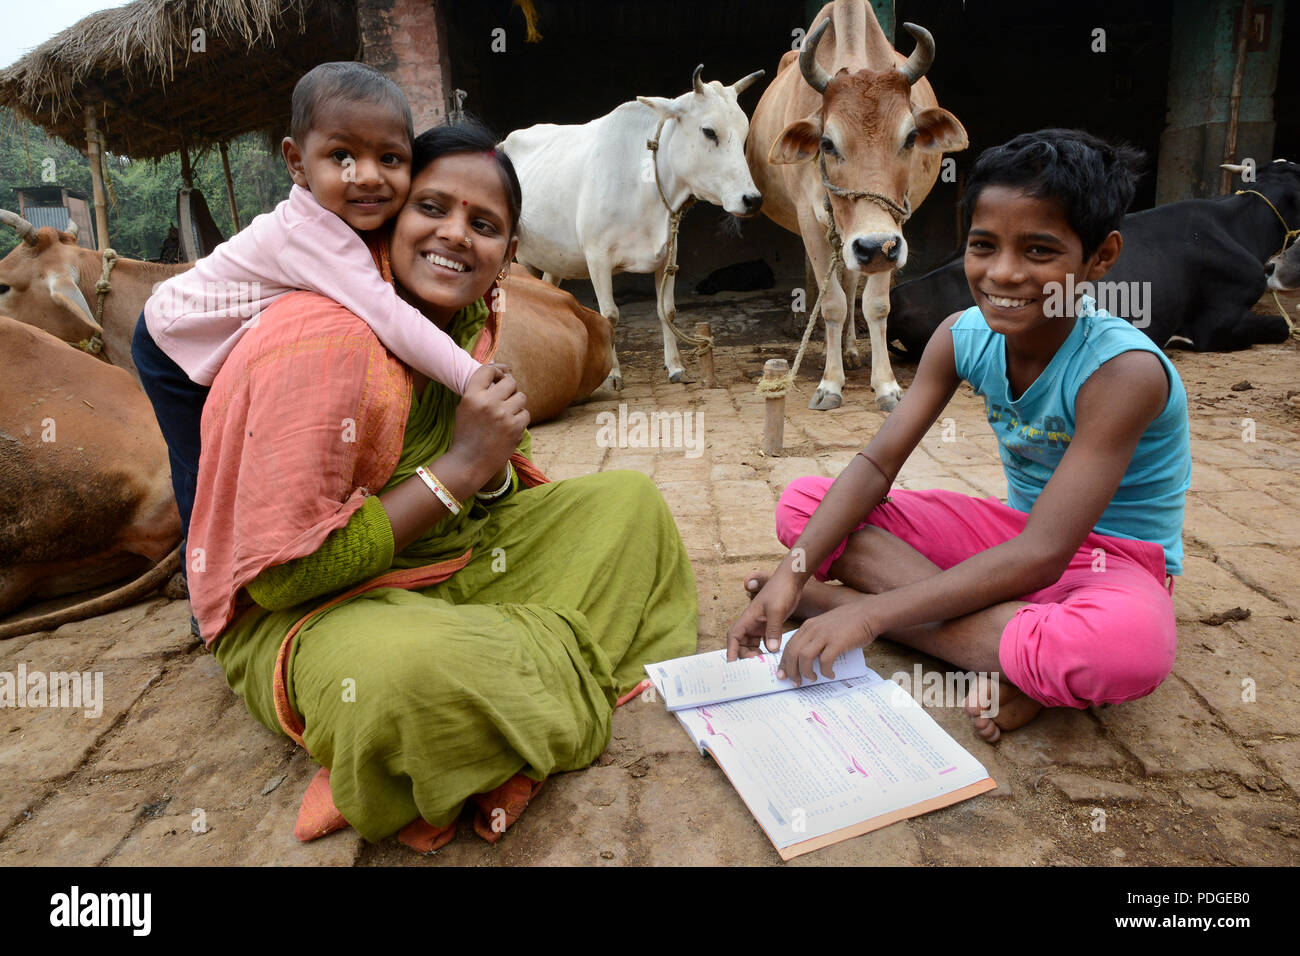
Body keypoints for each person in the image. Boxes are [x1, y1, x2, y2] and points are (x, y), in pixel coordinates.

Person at [185, 120, 698, 849]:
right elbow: (284, 577)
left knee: (629, 507)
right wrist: (460, 467)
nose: (457, 235)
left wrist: (482, 480)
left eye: (483, 224)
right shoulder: (323, 337)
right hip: (321, 608)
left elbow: (495, 502)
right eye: (432, 209)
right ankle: (478, 717)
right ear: (390, 217)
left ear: (509, 254)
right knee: (407, 682)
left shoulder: (461, 322)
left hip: (439, 561)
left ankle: (492, 717)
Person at [729, 128, 1190, 742]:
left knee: (1129, 650)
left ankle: (846, 610)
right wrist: (792, 573)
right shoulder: (960, 335)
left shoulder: (1123, 371)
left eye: (1039, 251)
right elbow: (875, 466)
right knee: (806, 507)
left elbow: (1046, 555)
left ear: (1101, 256)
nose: (1003, 273)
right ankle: (1014, 656)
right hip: (1017, 536)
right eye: (983, 245)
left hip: (1111, 561)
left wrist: (865, 615)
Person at [131, 62, 486, 592]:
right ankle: (206, 587)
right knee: (203, 466)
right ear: (297, 162)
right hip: (170, 338)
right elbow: (388, 315)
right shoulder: (309, 234)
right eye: (342, 156)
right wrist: (473, 378)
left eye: (390, 158)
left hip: (211, 319)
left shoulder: (350, 219)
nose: (366, 175)